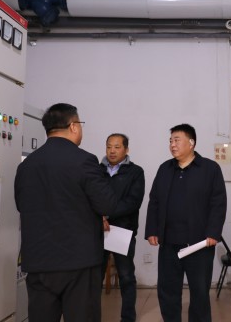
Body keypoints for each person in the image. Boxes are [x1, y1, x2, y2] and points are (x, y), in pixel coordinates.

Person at [14, 103, 122, 322]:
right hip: (78, 263)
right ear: (73, 126)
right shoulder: (84, 160)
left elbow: (21, 204)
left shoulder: (27, 165)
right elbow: (107, 205)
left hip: (39, 261)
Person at [145, 123, 227, 322]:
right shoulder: (165, 169)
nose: (172, 145)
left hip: (199, 244)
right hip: (169, 243)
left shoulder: (210, 169)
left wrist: (213, 233)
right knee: (167, 291)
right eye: (170, 141)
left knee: (200, 293)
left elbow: (218, 203)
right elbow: (154, 201)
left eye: (177, 140)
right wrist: (152, 230)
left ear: (191, 143)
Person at [100, 133, 145, 322]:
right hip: (98, 230)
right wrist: (99, 218)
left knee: (126, 276)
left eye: (117, 147)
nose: (112, 151)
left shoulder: (135, 172)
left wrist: (106, 215)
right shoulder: (96, 170)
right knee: (94, 277)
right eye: (109, 146)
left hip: (122, 231)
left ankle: (128, 317)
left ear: (126, 149)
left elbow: (133, 202)